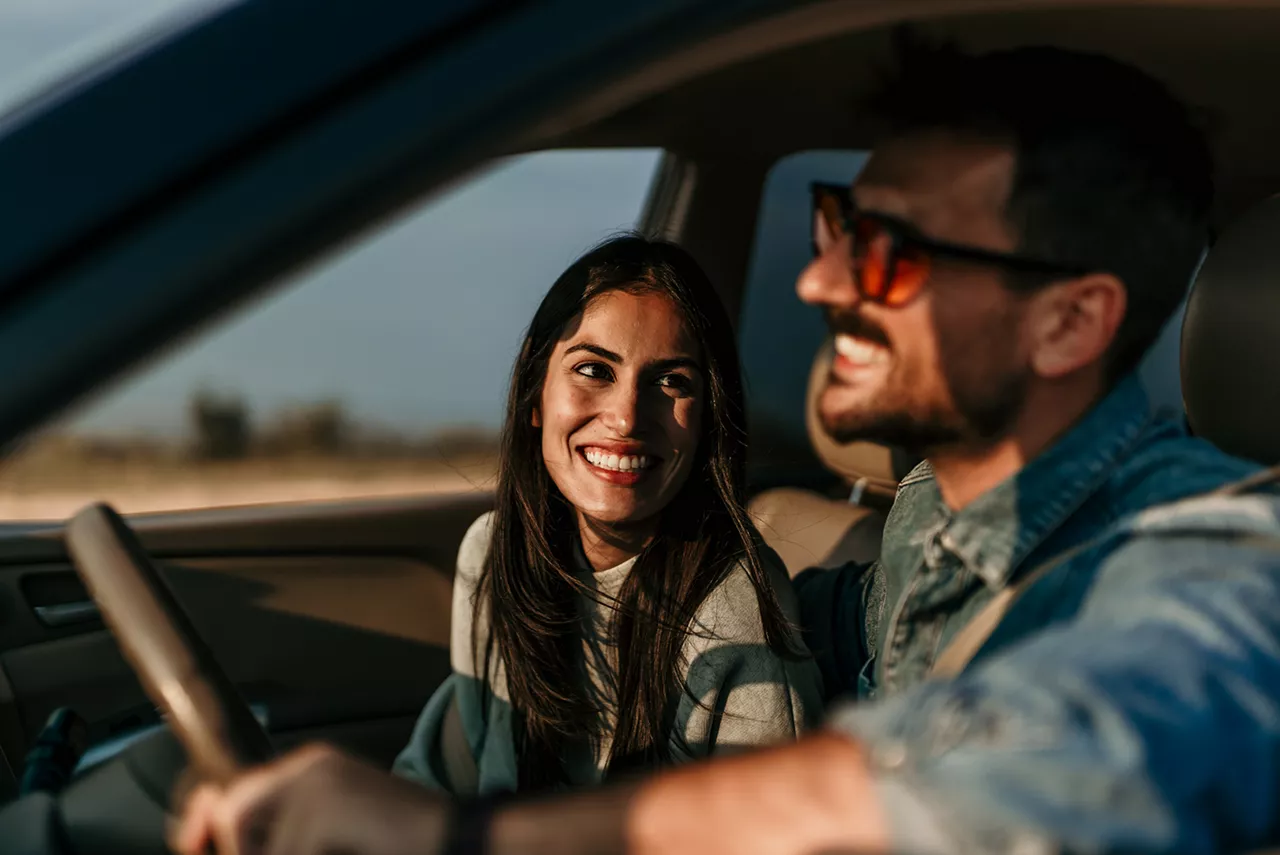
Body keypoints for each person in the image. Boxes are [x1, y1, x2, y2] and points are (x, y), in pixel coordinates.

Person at [173, 44, 1280, 855]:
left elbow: (1071, 746)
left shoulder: (1217, 557)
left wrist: (462, 842)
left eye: (890, 253)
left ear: (1068, 324)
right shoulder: (929, 516)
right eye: (840, 227)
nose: (820, 281)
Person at [398, 235, 818, 794]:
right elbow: (440, 780)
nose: (626, 418)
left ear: (708, 420)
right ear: (535, 393)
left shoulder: (734, 613)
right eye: (594, 370)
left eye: (671, 381)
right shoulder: (494, 552)